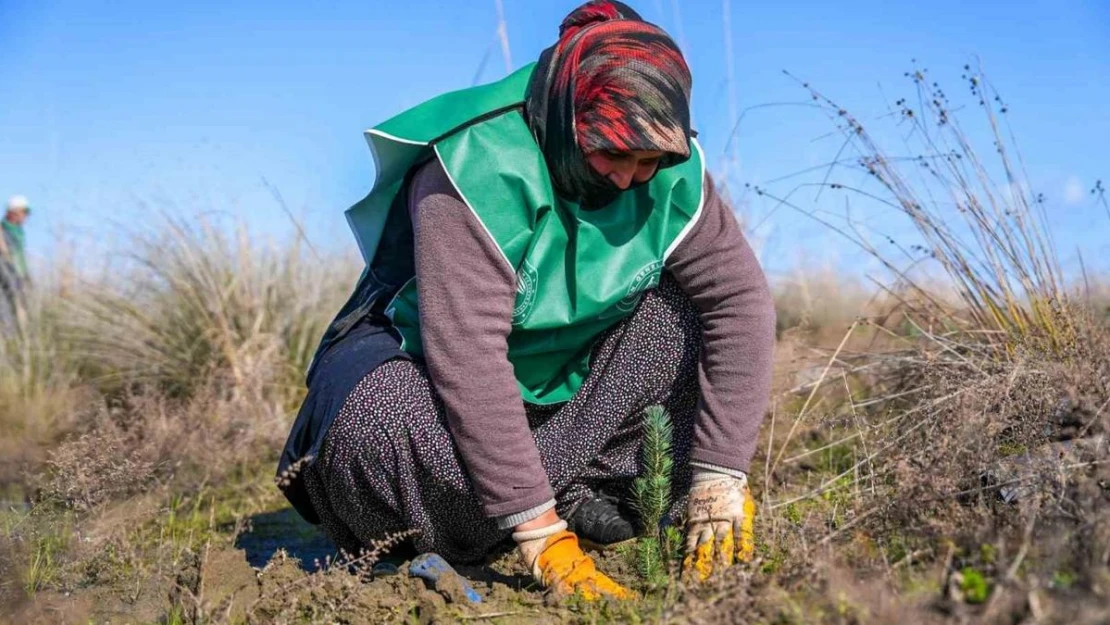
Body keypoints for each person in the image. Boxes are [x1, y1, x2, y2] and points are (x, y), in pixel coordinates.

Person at [278, 0, 775, 601]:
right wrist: (543, 538)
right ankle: (524, 510)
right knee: (375, 421)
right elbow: (467, 356)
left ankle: (556, 491)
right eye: (612, 154)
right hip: (428, 379)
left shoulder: (673, 167)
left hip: (556, 398)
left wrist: (720, 476)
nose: (628, 177)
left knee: (682, 318)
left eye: (648, 162)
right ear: (568, 117)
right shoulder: (473, 162)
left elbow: (739, 304)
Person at [0, 195, 31, 330]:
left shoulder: (18, 232)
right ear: (13, 212)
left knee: (21, 314)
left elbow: (20, 258)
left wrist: (25, 275)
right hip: (7, 279)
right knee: (6, 314)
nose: (26, 216)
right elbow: (5, 258)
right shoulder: (2, 230)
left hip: (18, 277)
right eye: (23, 212)